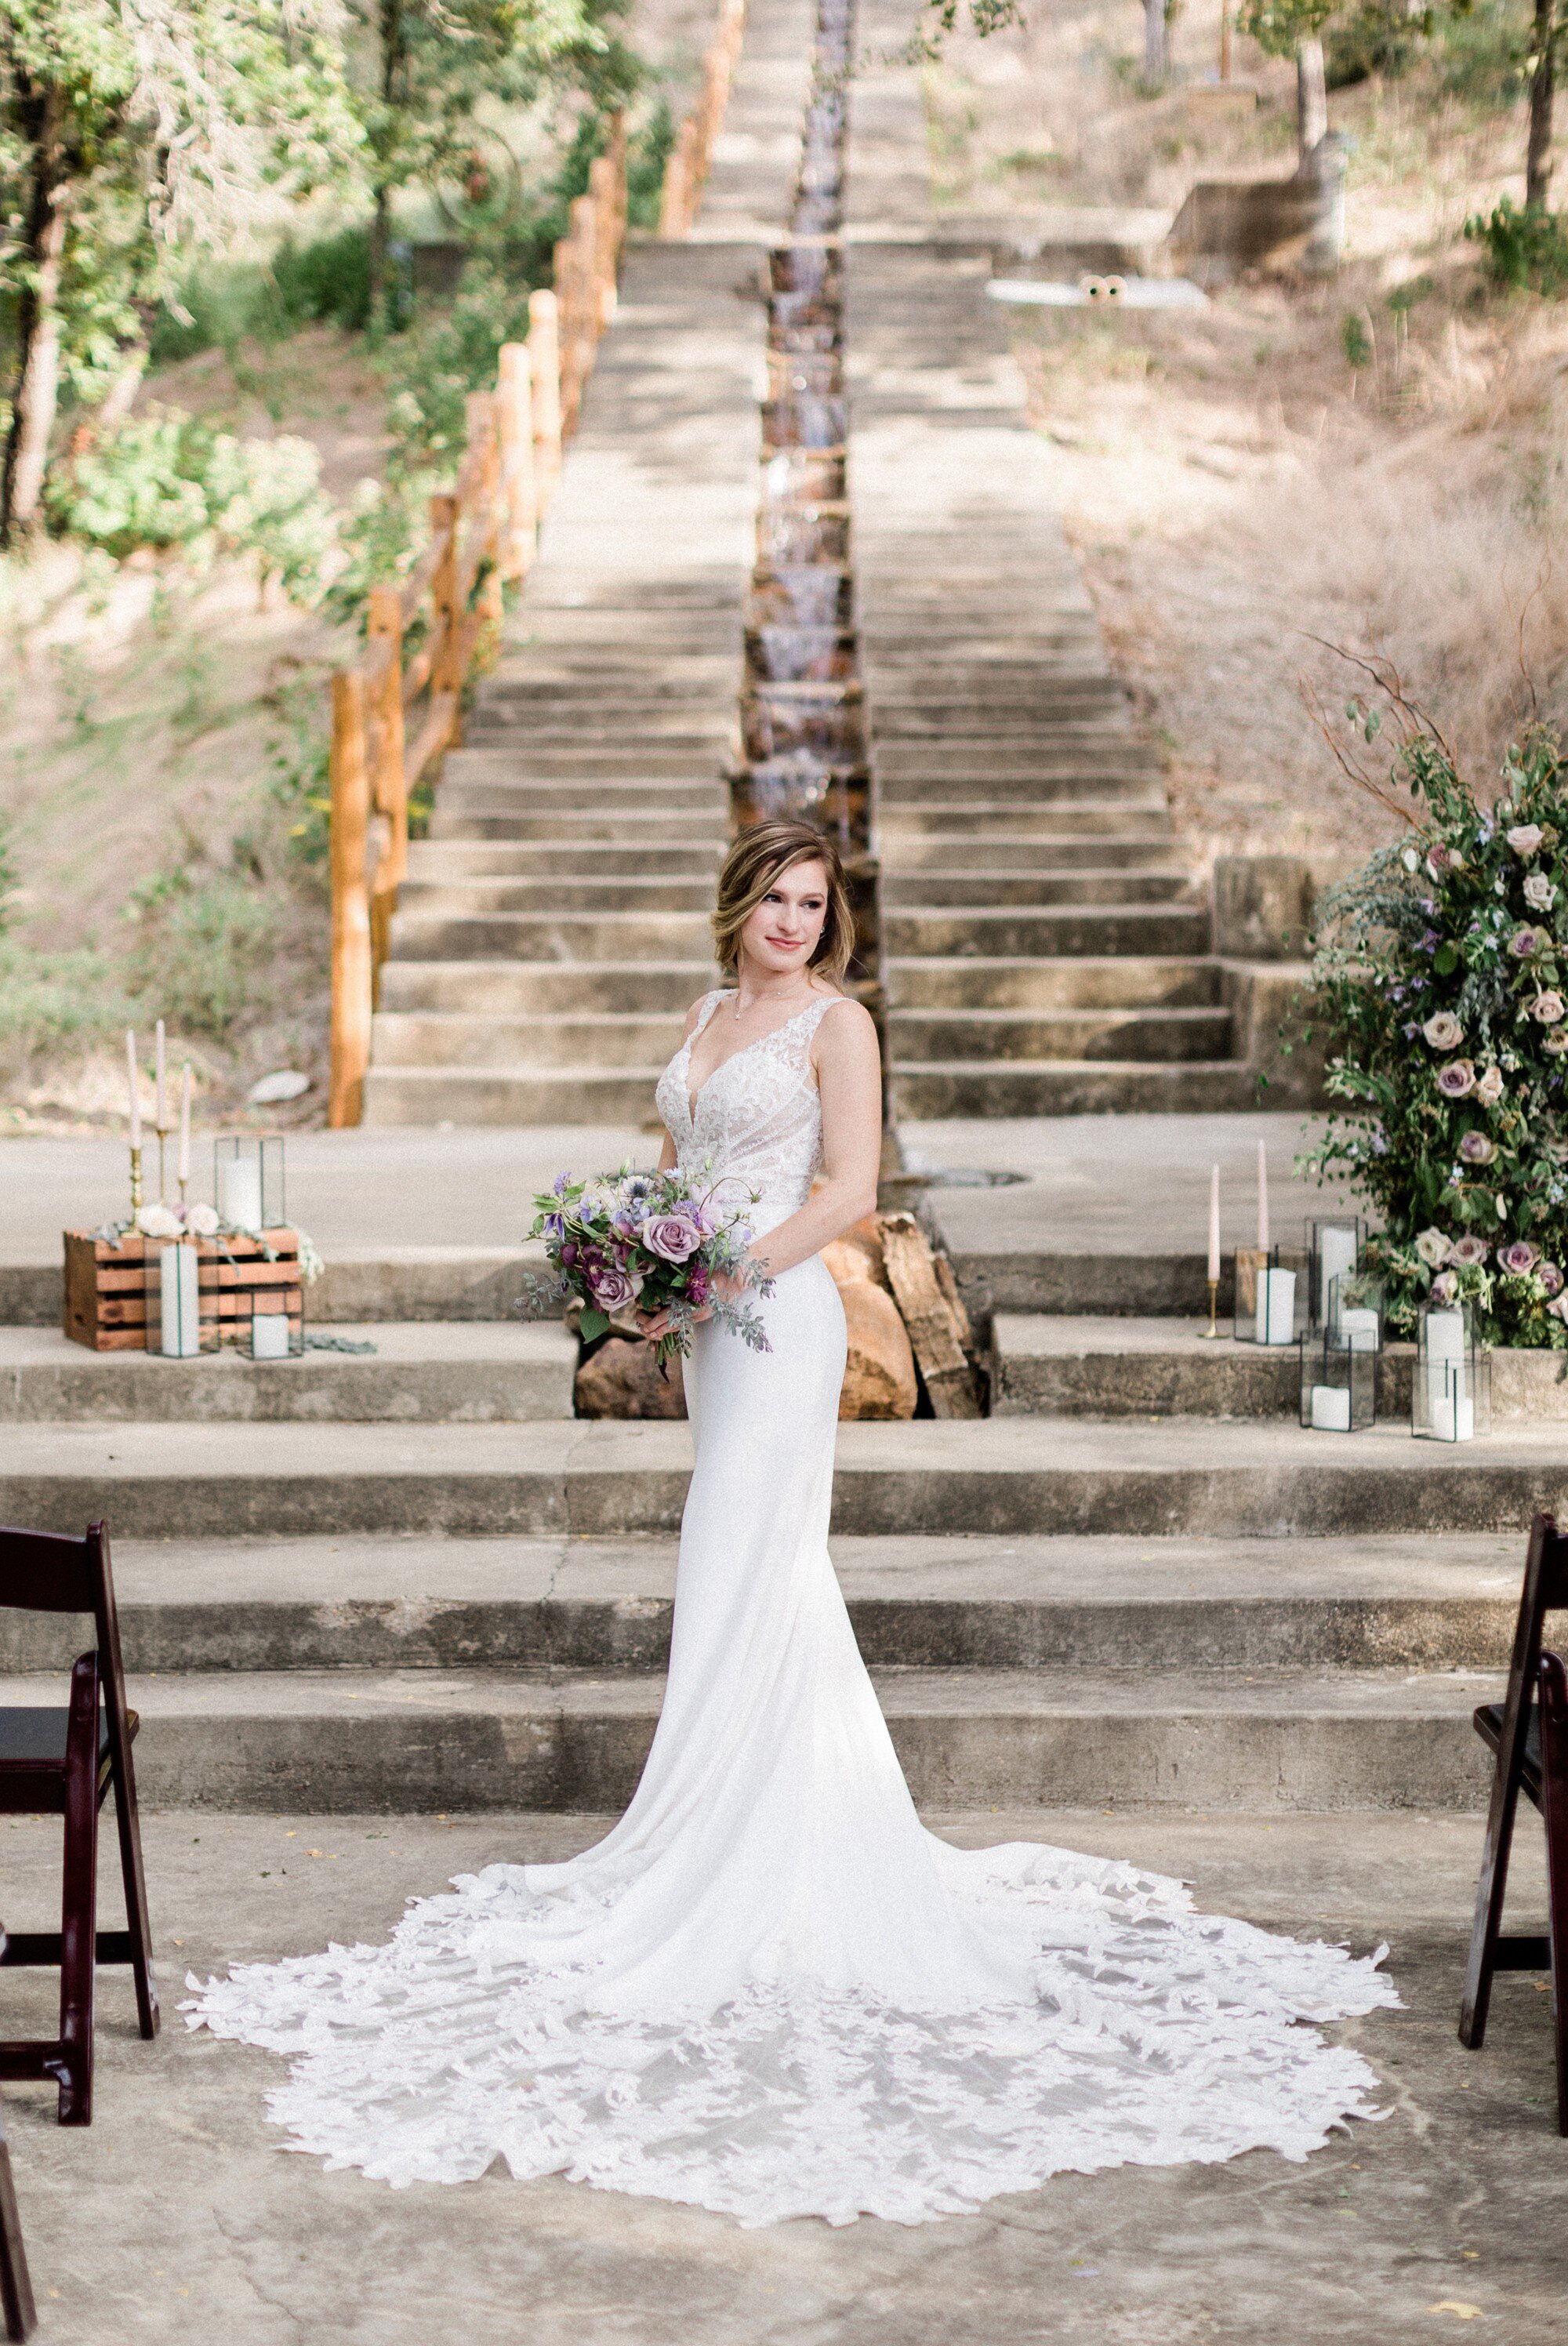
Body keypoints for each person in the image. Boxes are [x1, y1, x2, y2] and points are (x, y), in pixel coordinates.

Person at [189, 819, 1396, 2227]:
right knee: (751, 1567)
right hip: (711, 1321)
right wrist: (637, 1261)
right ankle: (732, 1810)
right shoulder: (708, 1014)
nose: (795, 921)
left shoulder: (840, 1024)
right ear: (740, 902)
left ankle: (761, 1848)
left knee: (745, 1553)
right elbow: (671, 1160)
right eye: (776, 897)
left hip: (780, 1317)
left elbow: (849, 1193)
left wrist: (712, 1270)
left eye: (816, 902)